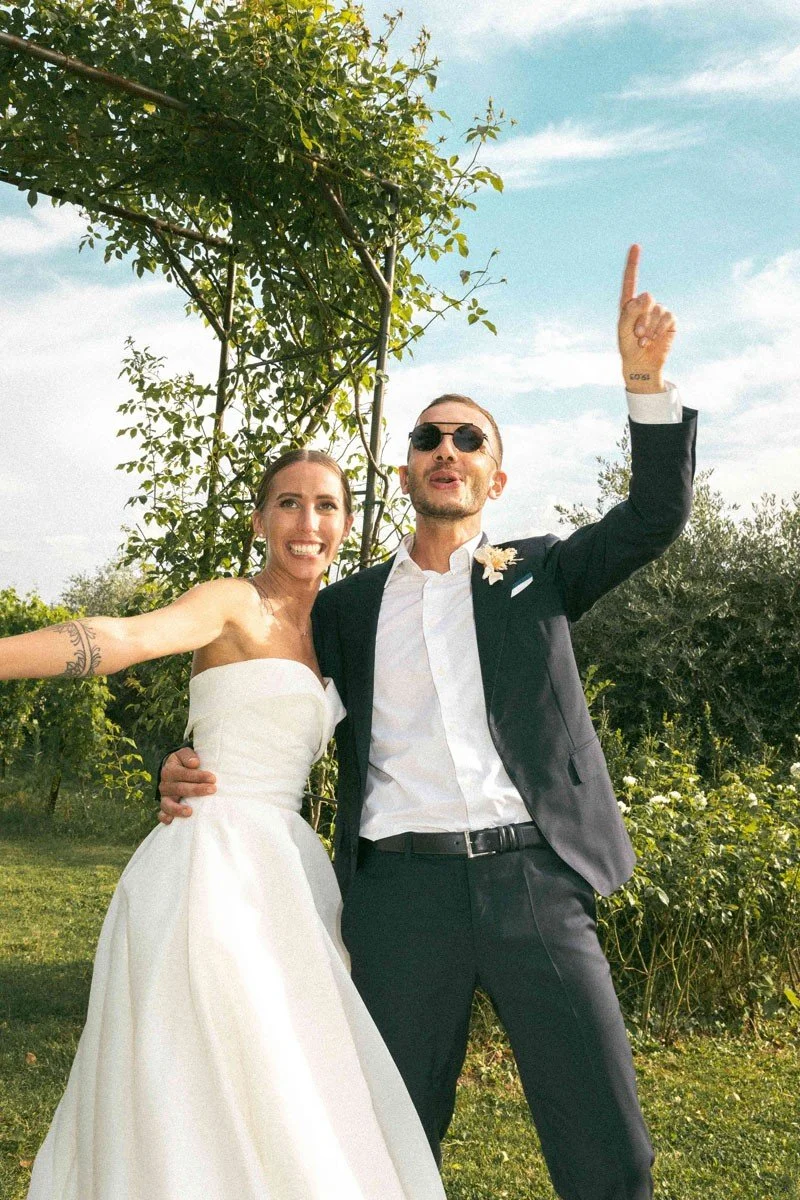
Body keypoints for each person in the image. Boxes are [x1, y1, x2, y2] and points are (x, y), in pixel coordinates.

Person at [161, 245, 697, 1200]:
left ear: (494, 477)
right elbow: (271, 698)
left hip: (536, 880)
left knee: (609, 1150)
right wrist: (192, 766)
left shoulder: (542, 573)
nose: (446, 449)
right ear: (404, 470)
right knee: (382, 1147)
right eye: (427, 437)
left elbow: (655, 515)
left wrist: (644, 385)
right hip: (400, 899)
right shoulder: (346, 608)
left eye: (468, 439)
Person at [2, 449, 446, 1200]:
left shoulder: (338, 627)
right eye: (289, 504)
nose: (309, 523)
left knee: (291, 1073)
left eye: (327, 506)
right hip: (206, 864)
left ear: (347, 522)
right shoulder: (230, 601)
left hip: (289, 873)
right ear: (259, 520)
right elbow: (129, 639)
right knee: (195, 1066)